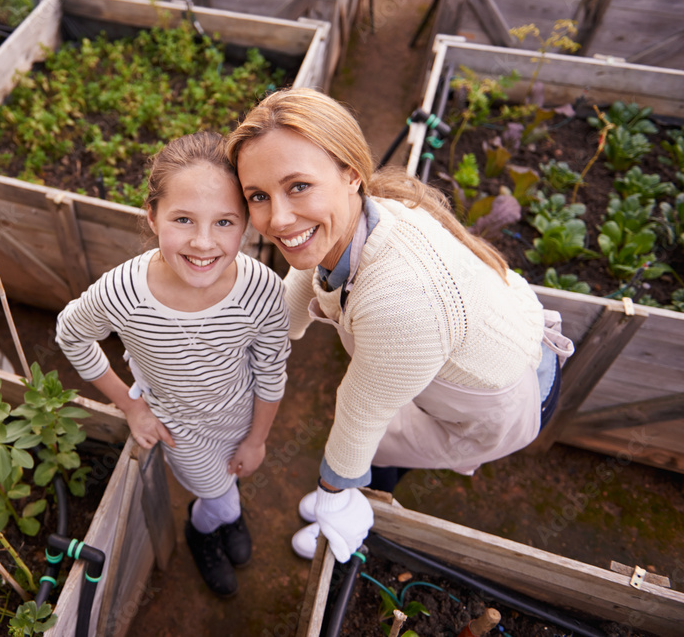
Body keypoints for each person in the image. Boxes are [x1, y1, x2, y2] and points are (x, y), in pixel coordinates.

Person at [224, 88, 573, 563]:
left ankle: (351, 516)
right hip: (479, 336)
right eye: (258, 196)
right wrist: (250, 342)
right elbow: (305, 276)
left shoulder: (403, 301)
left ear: (350, 174)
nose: (278, 218)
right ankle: (355, 496)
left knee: (380, 442)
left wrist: (330, 494)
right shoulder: (357, 215)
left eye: (298, 186)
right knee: (378, 431)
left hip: (508, 393)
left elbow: (360, 412)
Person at [55, 132, 291, 596]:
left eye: (225, 222)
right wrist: (130, 405)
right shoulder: (123, 291)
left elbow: (270, 369)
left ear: (246, 223)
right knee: (217, 497)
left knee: (236, 475)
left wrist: (258, 438)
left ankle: (224, 509)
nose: (203, 244)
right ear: (152, 215)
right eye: (183, 219)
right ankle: (205, 529)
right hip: (181, 427)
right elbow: (72, 334)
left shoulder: (262, 290)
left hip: (241, 414)